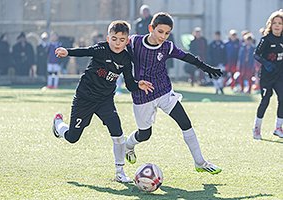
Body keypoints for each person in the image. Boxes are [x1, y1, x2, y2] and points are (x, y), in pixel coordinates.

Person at [52, 20, 154, 182]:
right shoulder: (101, 49)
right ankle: (59, 125)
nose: (117, 43)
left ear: (127, 40)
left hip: (105, 100)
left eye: (122, 40)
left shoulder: (126, 59)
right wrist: (67, 52)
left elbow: (129, 84)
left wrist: (138, 85)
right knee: (72, 137)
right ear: (108, 38)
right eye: (114, 39)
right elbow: (85, 51)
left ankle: (120, 173)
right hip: (85, 98)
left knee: (118, 134)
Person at [125, 12, 223, 174]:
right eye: (160, 31)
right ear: (151, 28)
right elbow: (116, 48)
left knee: (185, 123)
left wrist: (207, 68)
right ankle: (129, 145)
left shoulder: (168, 46)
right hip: (142, 96)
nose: (163, 36)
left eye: (167, 33)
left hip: (164, 92)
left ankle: (200, 162)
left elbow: (187, 57)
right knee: (145, 134)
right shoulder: (135, 42)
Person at [252, 9, 283, 140]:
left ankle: (278, 128)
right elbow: (256, 54)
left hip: (280, 76)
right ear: (271, 24)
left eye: (280, 23)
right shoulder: (266, 39)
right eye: (275, 23)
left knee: (282, 99)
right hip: (266, 76)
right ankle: (257, 129)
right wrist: (266, 63)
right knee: (266, 100)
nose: (277, 25)